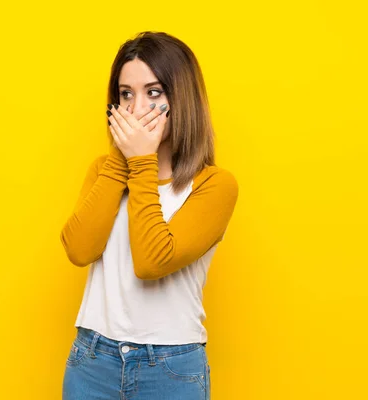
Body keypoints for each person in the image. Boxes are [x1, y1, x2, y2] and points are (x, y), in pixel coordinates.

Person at [60, 31, 239, 399]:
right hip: (93, 360)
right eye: (126, 94)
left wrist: (141, 161)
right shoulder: (104, 171)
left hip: (170, 369)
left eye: (153, 93)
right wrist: (120, 160)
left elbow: (152, 261)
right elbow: (78, 250)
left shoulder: (214, 185)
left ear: (182, 99)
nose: (136, 108)